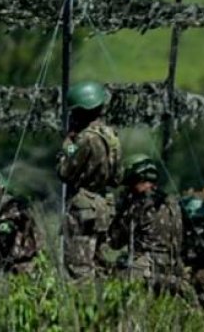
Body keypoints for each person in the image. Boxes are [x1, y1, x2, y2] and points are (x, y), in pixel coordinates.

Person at [56, 80, 122, 279]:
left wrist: (67, 144)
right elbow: (118, 177)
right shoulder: (112, 136)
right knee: (100, 264)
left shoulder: (85, 139)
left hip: (84, 207)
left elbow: (64, 171)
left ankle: (85, 306)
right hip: (104, 206)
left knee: (79, 266)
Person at [109, 154, 184, 293]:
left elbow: (115, 241)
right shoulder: (172, 203)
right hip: (173, 271)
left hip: (146, 270)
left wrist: (121, 209)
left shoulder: (139, 204)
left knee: (115, 272)